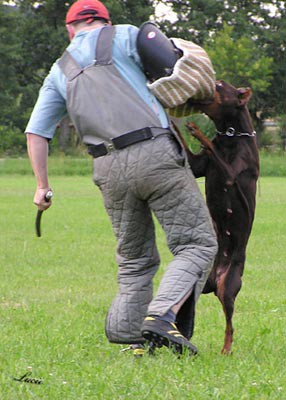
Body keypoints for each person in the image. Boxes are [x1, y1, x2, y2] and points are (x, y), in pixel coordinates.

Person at [26, 0, 217, 355]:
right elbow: (176, 68)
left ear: (70, 29)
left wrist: (42, 185)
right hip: (154, 153)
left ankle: (128, 334)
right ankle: (161, 317)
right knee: (197, 244)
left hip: (107, 168)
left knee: (134, 259)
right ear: (104, 21)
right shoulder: (127, 35)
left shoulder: (59, 71)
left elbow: (36, 133)